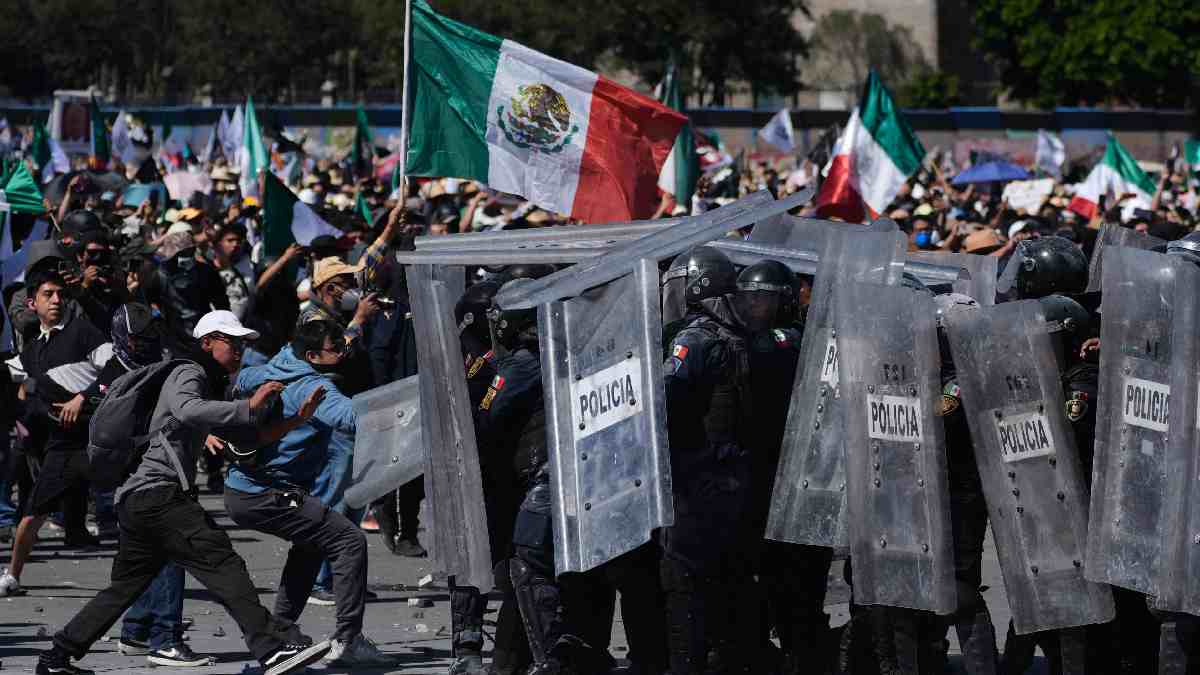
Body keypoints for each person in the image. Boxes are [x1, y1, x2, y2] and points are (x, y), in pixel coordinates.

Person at [34, 310, 331, 675]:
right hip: (158, 493)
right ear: (207, 342)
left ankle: (56, 657)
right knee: (222, 562)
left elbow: (247, 440)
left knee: (125, 587)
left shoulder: (212, 385)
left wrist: (297, 419)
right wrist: (249, 405)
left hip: (139, 498)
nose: (240, 350)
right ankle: (271, 649)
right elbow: (188, 411)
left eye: (244, 344)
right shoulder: (188, 371)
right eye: (231, 341)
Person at [222, 319, 395, 667]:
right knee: (349, 540)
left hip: (243, 488)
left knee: (313, 542)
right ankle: (348, 640)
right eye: (338, 348)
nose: (345, 352)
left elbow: (242, 379)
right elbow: (352, 420)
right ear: (313, 355)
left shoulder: (276, 364)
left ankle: (284, 629)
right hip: (264, 493)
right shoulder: (314, 387)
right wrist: (406, 409)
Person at [660, 247, 767, 674]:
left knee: (682, 580)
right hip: (736, 478)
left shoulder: (695, 338)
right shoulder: (742, 337)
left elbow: (666, 394)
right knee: (730, 581)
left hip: (698, 479)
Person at [0, 266, 112, 599]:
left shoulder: (82, 332)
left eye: (60, 293)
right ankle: (12, 575)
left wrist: (82, 397)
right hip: (63, 449)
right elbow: (10, 375)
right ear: (31, 303)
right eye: (48, 294)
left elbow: (116, 366)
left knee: (138, 504)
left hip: (100, 439)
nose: (56, 300)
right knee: (33, 511)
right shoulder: (33, 350)